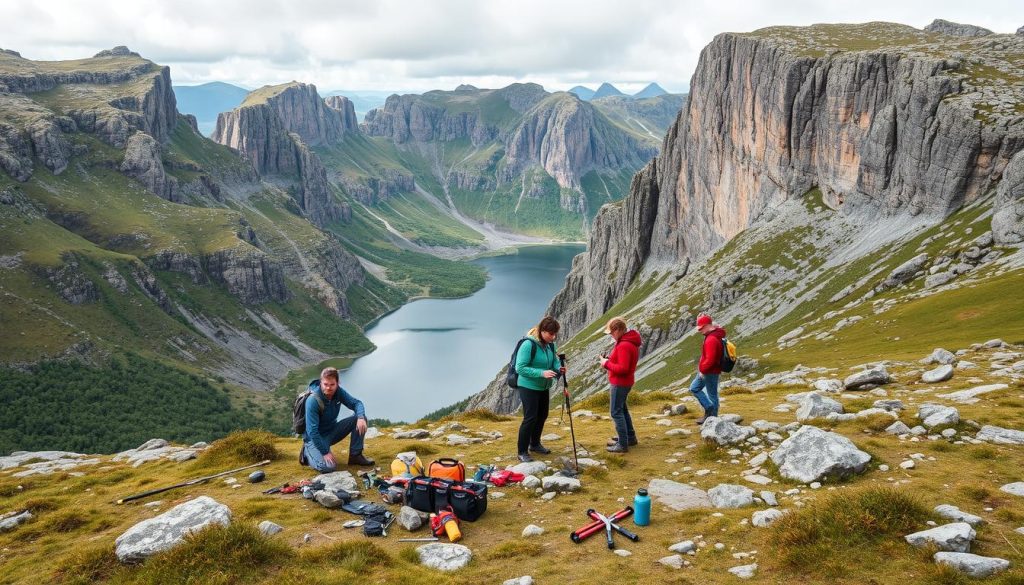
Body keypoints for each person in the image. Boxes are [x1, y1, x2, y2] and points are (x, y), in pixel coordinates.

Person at [300, 367, 375, 471]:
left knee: (359, 418)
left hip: (332, 431)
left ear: (338, 383)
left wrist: (361, 417)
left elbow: (357, 403)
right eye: (325, 384)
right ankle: (307, 452)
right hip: (314, 437)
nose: (328, 388)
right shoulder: (313, 400)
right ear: (321, 382)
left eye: (332, 385)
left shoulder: (338, 392)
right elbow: (312, 431)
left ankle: (355, 456)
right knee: (328, 467)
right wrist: (325, 452)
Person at [514, 316, 565, 463]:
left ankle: (535, 444)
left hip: (544, 386)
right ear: (542, 331)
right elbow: (520, 368)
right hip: (528, 386)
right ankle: (522, 451)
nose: (553, 337)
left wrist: (558, 368)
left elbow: (554, 361)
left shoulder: (550, 345)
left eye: (555, 334)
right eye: (550, 334)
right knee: (530, 418)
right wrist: (541, 373)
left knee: (542, 415)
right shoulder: (528, 344)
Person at [601, 317, 642, 453]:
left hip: (619, 383)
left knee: (616, 412)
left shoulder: (624, 345)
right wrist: (609, 360)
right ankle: (630, 437)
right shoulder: (627, 341)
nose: (611, 335)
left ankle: (623, 445)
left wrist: (606, 363)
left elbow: (623, 368)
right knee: (622, 410)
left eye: (612, 332)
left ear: (618, 330)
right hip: (625, 382)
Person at [690, 314, 726, 424]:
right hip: (709, 371)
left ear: (707, 326)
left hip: (709, 372)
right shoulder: (714, 335)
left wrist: (703, 371)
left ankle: (712, 418)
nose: (700, 331)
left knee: (710, 394)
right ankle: (710, 413)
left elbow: (711, 360)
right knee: (695, 388)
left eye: (701, 328)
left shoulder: (711, 339)